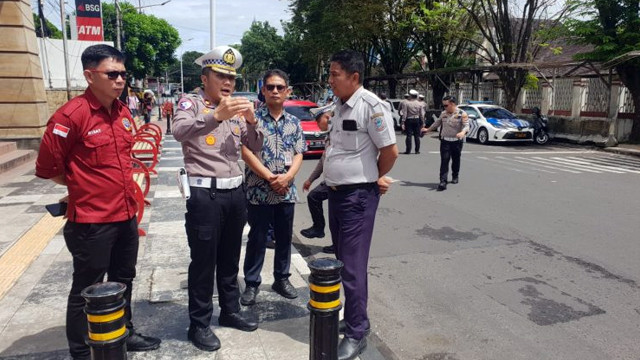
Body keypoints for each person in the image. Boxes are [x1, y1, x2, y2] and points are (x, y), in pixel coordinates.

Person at [34, 44, 161, 360]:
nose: (120, 80)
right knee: (87, 288)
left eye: (122, 74)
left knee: (124, 279)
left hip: (125, 213)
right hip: (91, 221)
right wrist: (80, 184)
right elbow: (49, 168)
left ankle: (124, 332)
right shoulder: (70, 116)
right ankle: (81, 350)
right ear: (90, 75)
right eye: (112, 74)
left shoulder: (123, 113)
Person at [172, 45, 263, 351]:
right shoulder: (192, 103)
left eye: (231, 78)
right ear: (205, 77)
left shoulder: (237, 108)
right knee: (203, 262)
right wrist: (214, 116)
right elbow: (180, 131)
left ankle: (231, 310)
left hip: (235, 193)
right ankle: (199, 323)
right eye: (221, 75)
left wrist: (251, 121)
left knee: (229, 258)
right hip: (204, 194)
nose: (227, 83)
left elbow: (255, 145)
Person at [324, 50, 398, 360]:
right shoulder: (339, 107)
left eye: (335, 75)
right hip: (337, 195)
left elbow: (390, 152)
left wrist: (370, 179)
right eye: (329, 75)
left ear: (354, 77)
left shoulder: (371, 106)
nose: (330, 81)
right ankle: (358, 318)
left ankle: (356, 333)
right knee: (344, 262)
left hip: (357, 198)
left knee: (352, 268)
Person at [240, 69, 306, 306]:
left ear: (287, 91)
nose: (275, 91)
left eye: (280, 87)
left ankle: (282, 278)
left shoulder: (295, 123)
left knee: (284, 238)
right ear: (263, 91)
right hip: (259, 191)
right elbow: (245, 152)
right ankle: (251, 283)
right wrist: (270, 177)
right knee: (257, 238)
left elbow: (299, 153)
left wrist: (287, 177)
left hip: (286, 191)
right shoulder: (252, 120)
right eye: (270, 87)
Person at [300, 103, 334, 253]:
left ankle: (319, 229)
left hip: (342, 181)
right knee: (333, 211)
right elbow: (323, 160)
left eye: (317, 121)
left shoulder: (338, 134)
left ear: (327, 117)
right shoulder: (330, 135)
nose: (316, 126)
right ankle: (322, 231)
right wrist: (310, 179)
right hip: (331, 181)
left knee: (315, 198)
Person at [421, 95, 469, 191]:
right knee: (444, 161)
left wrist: (462, 132)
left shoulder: (462, 114)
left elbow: (466, 126)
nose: (444, 107)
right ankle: (443, 181)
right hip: (445, 141)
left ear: (452, 104)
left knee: (456, 160)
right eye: (443, 106)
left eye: (446, 105)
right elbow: (437, 123)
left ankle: (455, 176)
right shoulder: (443, 113)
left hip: (456, 142)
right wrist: (428, 129)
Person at [401, 89, 425, 154]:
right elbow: (422, 114)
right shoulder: (419, 104)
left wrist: (403, 122)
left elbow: (405, 113)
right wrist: (423, 122)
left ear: (411, 96)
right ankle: (417, 150)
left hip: (409, 119)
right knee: (417, 136)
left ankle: (408, 150)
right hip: (417, 119)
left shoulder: (407, 103)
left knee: (408, 135)